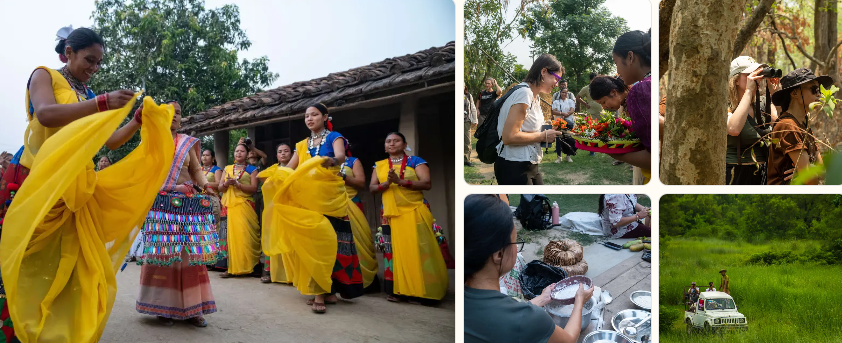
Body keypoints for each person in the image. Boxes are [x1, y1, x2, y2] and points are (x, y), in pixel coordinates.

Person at [0, 26, 175, 342]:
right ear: (68, 53)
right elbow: (46, 115)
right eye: (89, 60)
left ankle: (56, 332)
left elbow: (110, 141)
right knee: (26, 259)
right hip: (37, 181)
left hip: (75, 187)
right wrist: (103, 104)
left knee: (69, 265)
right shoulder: (44, 76)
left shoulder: (90, 96)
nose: (94, 68)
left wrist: (136, 121)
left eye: (98, 63)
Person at [267, 103, 365, 313]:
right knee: (314, 244)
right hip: (308, 199)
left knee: (331, 244)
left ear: (325, 117)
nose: (309, 119)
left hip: (331, 198)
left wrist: (331, 160)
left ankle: (327, 291)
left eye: (314, 115)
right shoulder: (302, 144)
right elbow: (290, 168)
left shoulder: (334, 137)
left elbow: (340, 156)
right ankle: (322, 291)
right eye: (306, 116)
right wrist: (275, 177)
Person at [135, 101, 221, 327]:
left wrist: (208, 187)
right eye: (170, 112)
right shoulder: (150, 140)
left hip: (187, 206)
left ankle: (193, 309)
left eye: (178, 113)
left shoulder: (187, 143)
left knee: (190, 255)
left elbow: (195, 170)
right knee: (163, 255)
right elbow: (143, 171)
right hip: (160, 205)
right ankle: (163, 307)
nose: (174, 116)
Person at [465, 194, 594, 343]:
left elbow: (511, 315)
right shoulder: (530, 319)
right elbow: (569, 340)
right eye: (515, 242)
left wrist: (542, 298)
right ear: (499, 255)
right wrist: (579, 301)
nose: (516, 249)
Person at [370, 132, 449, 304]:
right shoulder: (379, 165)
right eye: (388, 141)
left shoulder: (416, 161)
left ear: (405, 145)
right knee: (394, 252)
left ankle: (426, 291)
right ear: (385, 147)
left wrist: (400, 182)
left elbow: (426, 183)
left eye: (396, 141)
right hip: (390, 215)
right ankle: (399, 291)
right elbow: (372, 188)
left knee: (421, 249)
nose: (392, 144)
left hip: (415, 211)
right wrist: (386, 184)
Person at [494, 54, 564, 185]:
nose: (557, 84)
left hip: (529, 163)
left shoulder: (534, 96)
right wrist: (543, 136)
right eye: (556, 78)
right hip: (514, 166)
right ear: (544, 72)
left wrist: (548, 130)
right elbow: (509, 137)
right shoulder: (524, 94)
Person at [603, 30, 652, 182]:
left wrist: (615, 153)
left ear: (630, 57)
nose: (617, 71)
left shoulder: (640, 90)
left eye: (616, 63)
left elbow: (655, 158)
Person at [767, 68, 829, 185]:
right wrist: (809, 172)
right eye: (814, 89)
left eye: (819, 89)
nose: (819, 94)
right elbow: (810, 180)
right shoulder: (788, 125)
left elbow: (821, 170)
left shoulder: (804, 124)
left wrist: (808, 171)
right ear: (795, 93)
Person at [726, 56, 781, 185]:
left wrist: (776, 95)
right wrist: (749, 90)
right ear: (736, 80)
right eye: (750, 74)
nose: (757, 78)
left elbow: (781, 127)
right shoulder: (725, 107)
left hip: (763, 172)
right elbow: (733, 129)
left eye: (758, 74)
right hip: (736, 173)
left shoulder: (762, 103)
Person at [218, 143, 261, 278]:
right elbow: (220, 187)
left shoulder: (252, 169)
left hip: (245, 205)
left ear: (247, 154)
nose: (239, 153)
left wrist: (238, 185)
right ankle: (232, 267)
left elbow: (254, 188)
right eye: (237, 151)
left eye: (242, 151)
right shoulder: (227, 168)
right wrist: (226, 184)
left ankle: (250, 267)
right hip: (230, 206)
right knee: (230, 237)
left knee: (245, 235)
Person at [257, 143, 294, 284]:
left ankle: (291, 273)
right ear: (277, 155)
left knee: (290, 239)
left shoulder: (296, 169)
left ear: (292, 154)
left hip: (291, 208)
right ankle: (268, 270)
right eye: (280, 151)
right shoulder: (273, 170)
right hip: (275, 209)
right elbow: (261, 178)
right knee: (274, 237)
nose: (283, 153)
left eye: (286, 151)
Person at [550, 87, 577, 163]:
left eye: (566, 92)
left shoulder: (570, 101)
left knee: (568, 139)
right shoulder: (556, 102)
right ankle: (559, 157)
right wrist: (561, 113)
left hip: (568, 122)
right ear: (560, 93)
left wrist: (565, 115)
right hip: (558, 123)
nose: (564, 94)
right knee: (558, 139)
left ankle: (568, 156)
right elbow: (553, 111)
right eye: (563, 92)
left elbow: (572, 110)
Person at [465, 85, 478, 166]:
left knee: (467, 140)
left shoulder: (468, 96)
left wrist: (475, 120)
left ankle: (467, 159)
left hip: (466, 120)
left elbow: (473, 108)